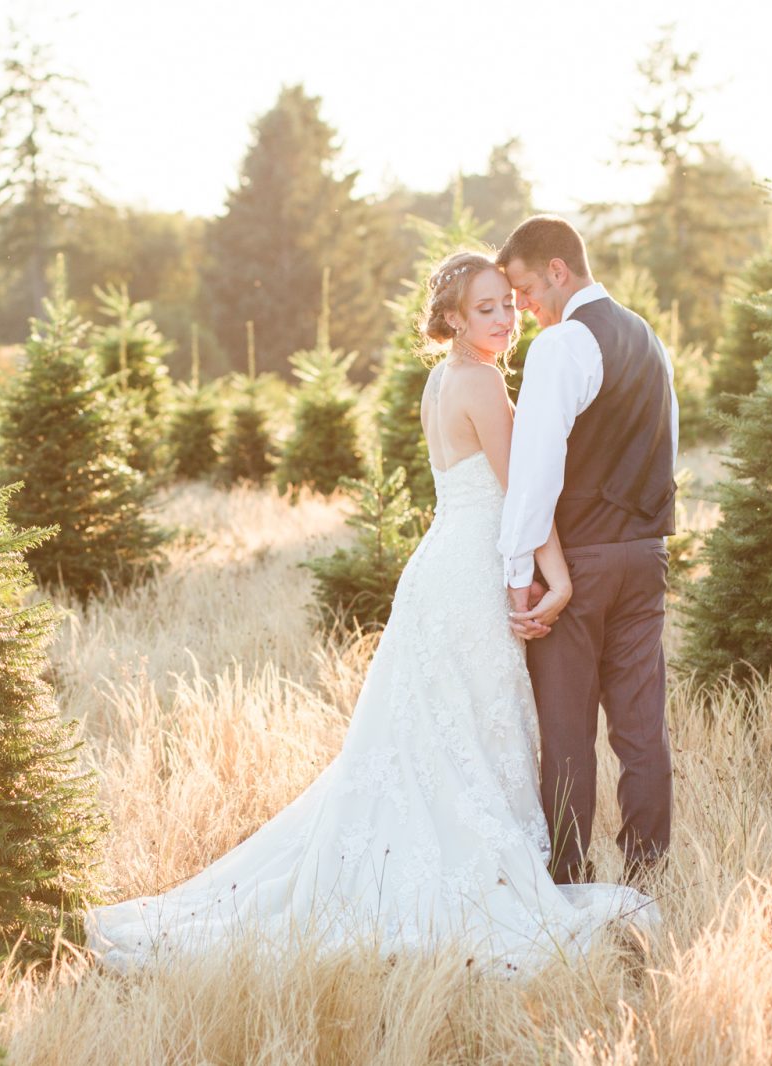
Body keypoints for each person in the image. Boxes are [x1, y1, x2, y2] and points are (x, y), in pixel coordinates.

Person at [83, 248, 655, 975]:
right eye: (488, 309)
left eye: (508, 305)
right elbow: (525, 496)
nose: (507, 319)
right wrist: (560, 580)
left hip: (440, 569)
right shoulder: (481, 386)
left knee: (431, 735)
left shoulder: (439, 382)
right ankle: (468, 874)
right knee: (468, 728)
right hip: (468, 578)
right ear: (452, 318)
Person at [497, 215, 678, 888]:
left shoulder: (562, 345)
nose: (521, 307)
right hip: (645, 557)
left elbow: (535, 468)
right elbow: (669, 442)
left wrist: (522, 571)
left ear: (557, 271)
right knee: (641, 728)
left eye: (522, 290)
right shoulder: (648, 338)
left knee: (567, 733)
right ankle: (647, 874)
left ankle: (569, 879)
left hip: (579, 566)